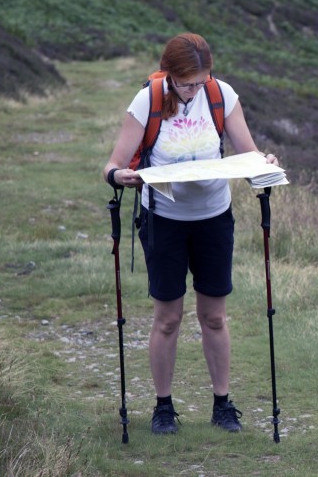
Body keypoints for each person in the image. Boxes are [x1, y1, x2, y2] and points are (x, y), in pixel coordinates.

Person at [102, 32, 279, 435]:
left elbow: (247, 153)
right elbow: (111, 165)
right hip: (162, 219)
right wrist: (122, 176)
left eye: (201, 82)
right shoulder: (147, 99)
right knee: (168, 318)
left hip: (214, 218)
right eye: (186, 84)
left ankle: (222, 404)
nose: (194, 90)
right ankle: (163, 407)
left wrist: (263, 162)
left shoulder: (221, 95)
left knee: (214, 316)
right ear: (169, 75)